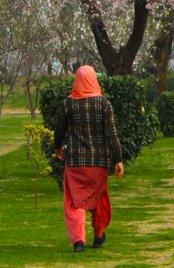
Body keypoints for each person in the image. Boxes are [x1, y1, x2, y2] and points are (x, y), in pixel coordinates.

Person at [53, 65, 124, 253]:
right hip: (98, 161)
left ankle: (78, 240)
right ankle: (99, 234)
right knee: (99, 198)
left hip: (75, 161)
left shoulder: (68, 103)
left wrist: (58, 147)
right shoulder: (103, 103)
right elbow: (111, 134)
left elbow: (59, 129)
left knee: (74, 201)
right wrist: (118, 159)